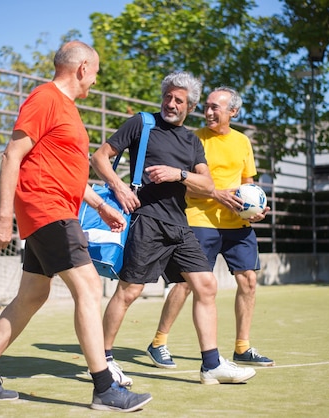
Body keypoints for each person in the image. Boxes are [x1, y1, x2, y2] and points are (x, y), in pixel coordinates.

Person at [0, 41, 152, 413]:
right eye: (94, 72)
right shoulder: (45, 99)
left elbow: (66, 172)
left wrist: (99, 205)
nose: (94, 81)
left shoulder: (68, 110)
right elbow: (12, 154)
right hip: (46, 209)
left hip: (59, 208)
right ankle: (105, 388)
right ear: (82, 68)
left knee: (33, 295)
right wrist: (3, 217)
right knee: (89, 286)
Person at [90, 72, 256, 386]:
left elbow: (207, 184)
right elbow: (100, 157)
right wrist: (120, 188)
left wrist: (177, 174)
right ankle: (103, 360)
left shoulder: (192, 140)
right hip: (147, 220)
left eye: (179, 100)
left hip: (180, 224)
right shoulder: (142, 124)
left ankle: (211, 365)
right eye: (168, 96)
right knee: (129, 292)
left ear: (189, 106)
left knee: (206, 285)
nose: (171, 103)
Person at [145, 87, 274, 370]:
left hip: (236, 223)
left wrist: (257, 208)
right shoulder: (192, 140)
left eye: (216, 107)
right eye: (207, 106)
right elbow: (184, 182)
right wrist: (217, 195)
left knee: (249, 280)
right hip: (199, 220)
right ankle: (158, 342)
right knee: (185, 284)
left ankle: (242, 347)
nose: (209, 112)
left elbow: (248, 183)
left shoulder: (242, 142)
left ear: (233, 112)